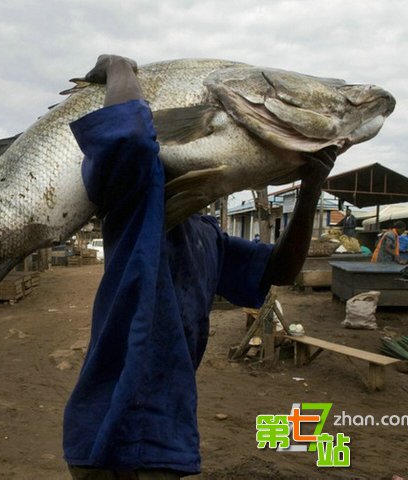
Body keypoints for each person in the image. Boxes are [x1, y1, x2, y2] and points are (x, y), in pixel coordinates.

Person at [63, 55, 335, 479]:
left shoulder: (209, 237)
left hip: (164, 429)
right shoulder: (135, 204)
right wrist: (119, 67)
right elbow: (130, 141)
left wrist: (310, 190)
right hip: (102, 420)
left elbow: (279, 271)